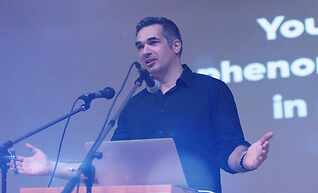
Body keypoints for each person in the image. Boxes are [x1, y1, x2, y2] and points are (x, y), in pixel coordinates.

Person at [10, 17, 273, 193]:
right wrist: (51, 167)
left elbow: (227, 148)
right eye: (139, 46)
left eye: (153, 42)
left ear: (176, 45)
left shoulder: (210, 89)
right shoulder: (133, 105)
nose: (145, 51)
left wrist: (245, 158)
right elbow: (107, 168)